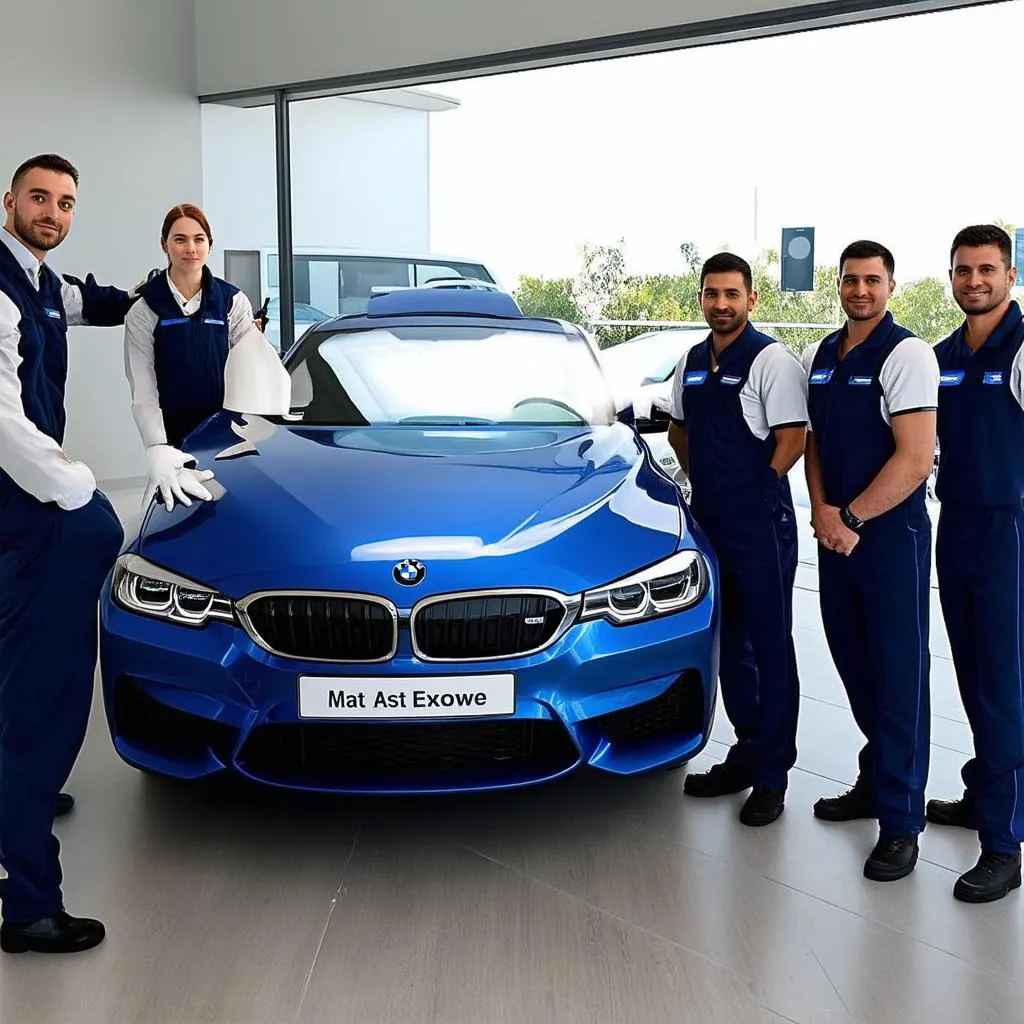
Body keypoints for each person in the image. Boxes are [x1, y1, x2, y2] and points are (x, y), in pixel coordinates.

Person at [0, 154, 141, 953]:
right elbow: (3, 422)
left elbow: (98, 302)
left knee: (14, 685)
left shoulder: (44, 284)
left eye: (65, 203)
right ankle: (29, 909)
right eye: (39, 199)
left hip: (25, 514)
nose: (52, 213)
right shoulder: (0, 285)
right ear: (8, 201)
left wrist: (169, 289)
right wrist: (78, 488)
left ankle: (15, 803)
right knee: (46, 709)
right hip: (32, 514)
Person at [804, 240, 938, 882]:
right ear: (838, 284)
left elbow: (914, 459)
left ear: (890, 286)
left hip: (888, 541)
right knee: (853, 662)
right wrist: (821, 511)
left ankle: (901, 822)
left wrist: (853, 518)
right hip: (836, 536)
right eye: (850, 280)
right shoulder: (822, 355)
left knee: (898, 678)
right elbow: (813, 444)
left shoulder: (906, 354)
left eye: (872, 281)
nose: (860, 291)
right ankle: (875, 778)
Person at [669, 252, 806, 826]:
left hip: (760, 524)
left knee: (771, 648)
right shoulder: (692, 361)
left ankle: (773, 774)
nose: (720, 304)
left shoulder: (771, 359)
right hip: (712, 521)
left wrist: (756, 489)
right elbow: (678, 428)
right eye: (710, 294)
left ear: (752, 299)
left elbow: (793, 439)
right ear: (700, 298)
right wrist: (704, 480)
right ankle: (748, 751)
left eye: (732, 294)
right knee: (729, 646)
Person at [926, 225, 1024, 903]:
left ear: (1010, 275)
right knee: (972, 674)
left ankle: (1004, 839)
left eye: (986, 270)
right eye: (963, 271)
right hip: (954, 524)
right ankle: (988, 785)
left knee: (1003, 683)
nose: (974, 281)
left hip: (1008, 530)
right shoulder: (942, 355)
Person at [124, 203, 278, 511]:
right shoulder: (146, 308)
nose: (190, 248)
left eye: (199, 239)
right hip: (174, 435)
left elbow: (252, 369)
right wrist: (157, 447)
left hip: (227, 430)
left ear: (210, 244)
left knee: (236, 509)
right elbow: (143, 386)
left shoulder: (231, 301)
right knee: (177, 512)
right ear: (164, 244)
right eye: (179, 239)